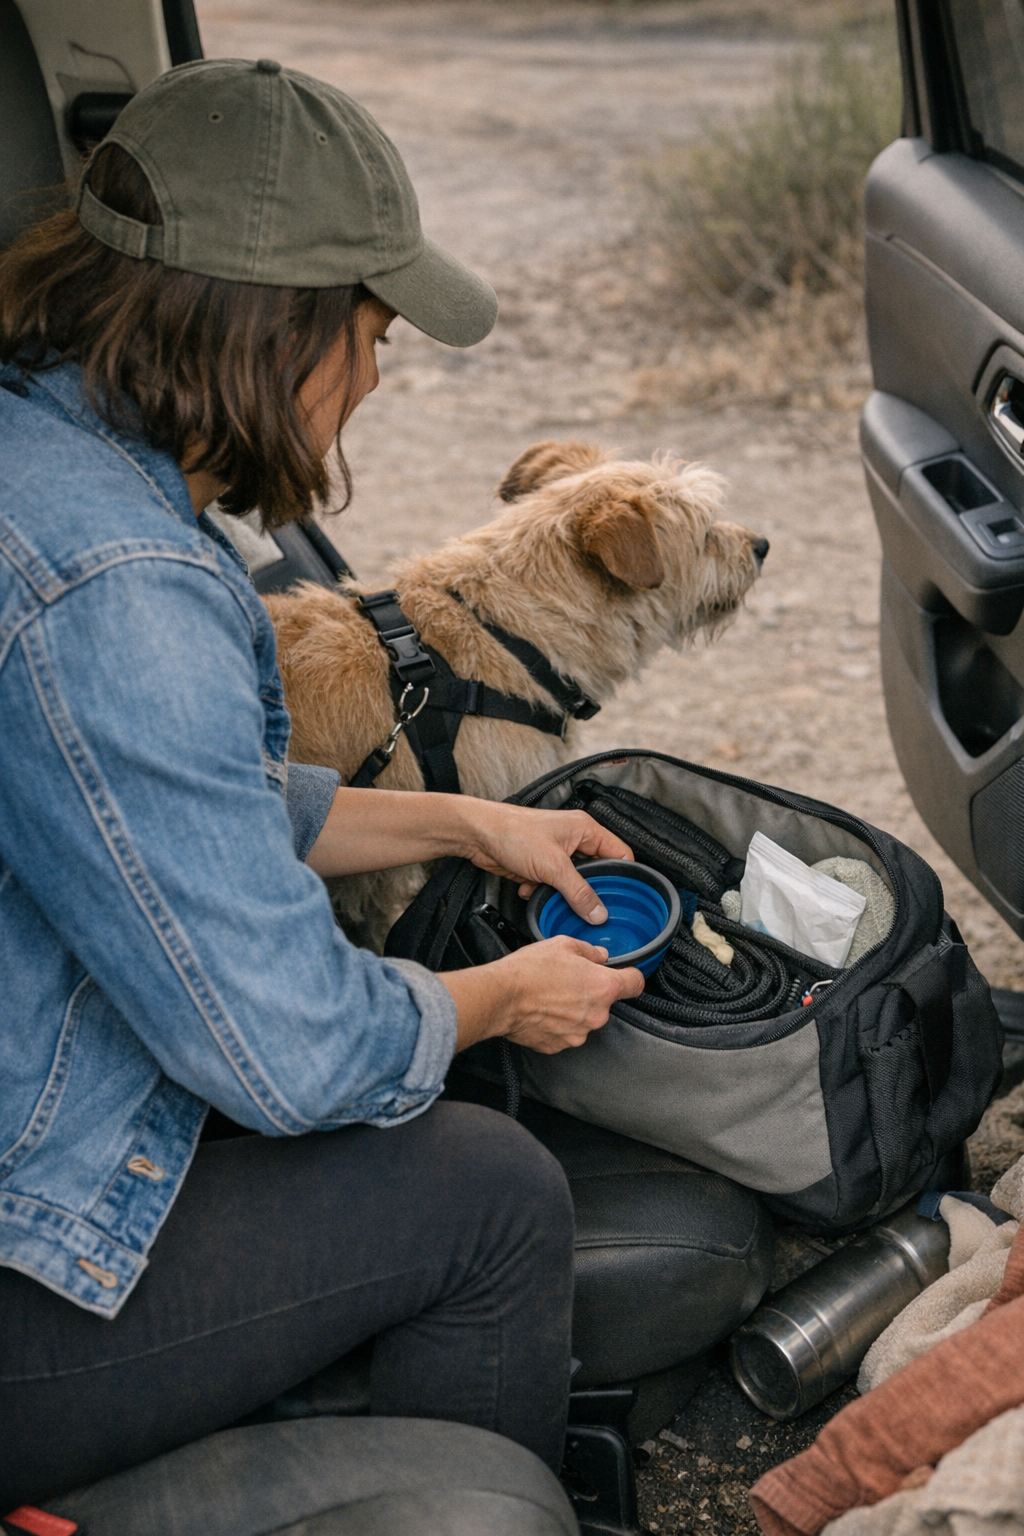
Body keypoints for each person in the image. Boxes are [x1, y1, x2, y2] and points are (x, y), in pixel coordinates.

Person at [0, 59, 645, 1506]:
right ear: (265, 330)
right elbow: (284, 1053)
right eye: (368, 337)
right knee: (490, 1193)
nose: (368, 380)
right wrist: (504, 998)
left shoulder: (44, 462)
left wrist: (474, 818)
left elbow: (170, 815)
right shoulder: (118, 583)